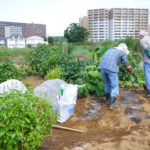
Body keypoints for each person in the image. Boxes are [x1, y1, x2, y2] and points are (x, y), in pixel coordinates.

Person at [98, 43, 137, 109]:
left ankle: (107, 100)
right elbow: (127, 65)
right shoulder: (122, 53)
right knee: (115, 86)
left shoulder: (110, 50)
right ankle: (112, 105)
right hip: (111, 69)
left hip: (102, 68)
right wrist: (133, 74)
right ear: (124, 49)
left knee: (107, 84)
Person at [139, 30, 150, 98]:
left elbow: (147, 50)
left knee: (147, 75)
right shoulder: (149, 38)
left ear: (142, 35)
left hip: (147, 61)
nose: (140, 37)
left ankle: (148, 91)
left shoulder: (143, 40)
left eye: (140, 35)